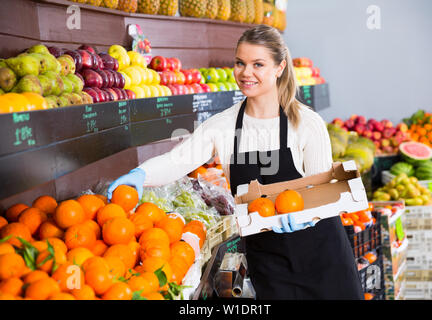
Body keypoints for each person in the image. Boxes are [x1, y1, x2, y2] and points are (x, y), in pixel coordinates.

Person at [107, 25, 364, 300]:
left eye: (258, 64)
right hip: (270, 262)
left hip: (322, 257)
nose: (246, 72)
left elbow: (323, 189)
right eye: (240, 63)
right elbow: (177, 160)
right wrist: (140, 173)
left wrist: (305, 215)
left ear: (280, 68)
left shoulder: (305, 123)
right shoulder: (223, 125)